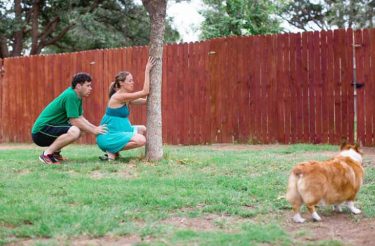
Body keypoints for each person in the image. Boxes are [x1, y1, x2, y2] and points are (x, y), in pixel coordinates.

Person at [31, 72, 107, 164]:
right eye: (88, 85)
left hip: (49, 128)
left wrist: (95, 128)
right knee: (75, 130)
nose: (90, 88)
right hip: (41, 131)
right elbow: (74, 120)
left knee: (80, 130)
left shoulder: (77, 96)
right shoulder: (71, 95)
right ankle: (46, 155)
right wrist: (94, 130)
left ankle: (55, 154)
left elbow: (80, 118)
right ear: (79, 86)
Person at [96, 57, 156, 161]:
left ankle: (114, 151)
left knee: (142, 129)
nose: (133, 82)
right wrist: (147, 70)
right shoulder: (119, 97)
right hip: (107, 136)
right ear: (121, 83)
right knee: (141, 140)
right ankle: (112, 150)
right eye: (130, 81)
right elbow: (145, 92)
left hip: (116, 131)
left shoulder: (126, 98)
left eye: (132, 80)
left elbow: (144, 100)